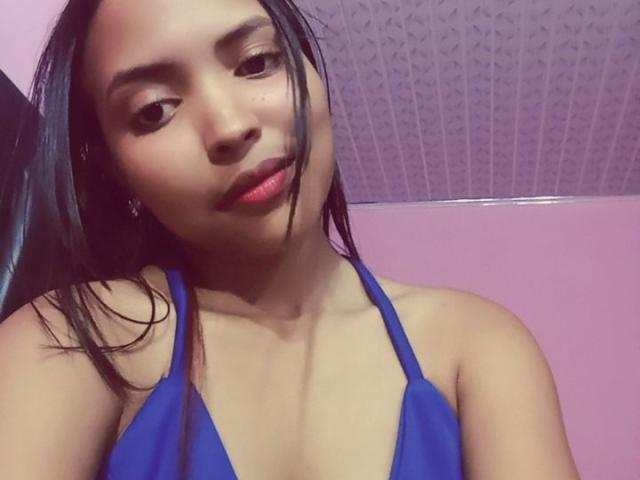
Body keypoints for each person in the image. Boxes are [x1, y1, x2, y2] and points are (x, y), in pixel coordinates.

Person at [0, 0, 581, 478]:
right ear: (116, 171)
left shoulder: (474, 347)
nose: (231, 127)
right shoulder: (69, 343)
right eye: (155, 111)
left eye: (256, 63)